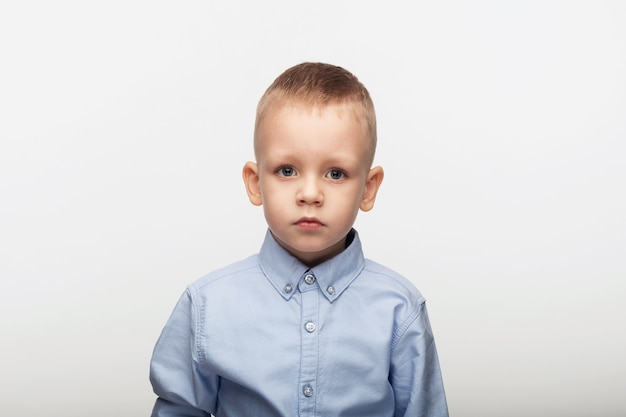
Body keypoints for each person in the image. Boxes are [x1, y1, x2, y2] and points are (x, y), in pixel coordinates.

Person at [149, 62, 449, 417]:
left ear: (368, 189)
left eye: (335, 173)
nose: (310, 193)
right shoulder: (206, 305)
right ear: (255, 182)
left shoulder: (399, 309)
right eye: (287, 171)